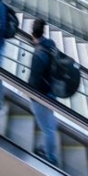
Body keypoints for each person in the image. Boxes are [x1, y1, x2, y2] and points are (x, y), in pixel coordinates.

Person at [28, 18, 59, 165]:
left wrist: (30, 95)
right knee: (49, 124)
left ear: (32, 33)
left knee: (47, 128)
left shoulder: (38, 55)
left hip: (42, 96)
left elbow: (35, 80)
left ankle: (50, 156)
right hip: (52, 91)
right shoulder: (51, 44)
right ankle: (47, 147)